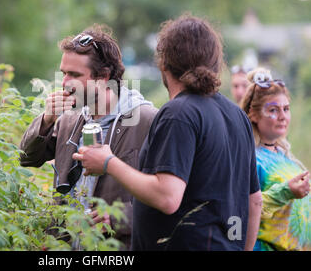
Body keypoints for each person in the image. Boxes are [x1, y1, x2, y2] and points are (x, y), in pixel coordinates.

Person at [73, 14, 263, 251]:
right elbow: (254, 202)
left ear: (164, 62)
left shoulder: (178, 113)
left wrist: (108, 162)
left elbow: (167, 196)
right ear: (215, 62)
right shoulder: (237, 116)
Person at [19, 24, 158, 249]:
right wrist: (46, 119)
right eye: (63, 73)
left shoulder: (148, 120)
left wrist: (116, 219)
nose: (64, 83)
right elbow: (26, 158)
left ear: (103, 77)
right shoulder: (68, 119)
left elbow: (167, 199)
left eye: (74, 75)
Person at [240, 68, 310, 251]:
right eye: (273, 110)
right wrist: (285, 191)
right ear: (253, 115)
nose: (282, 117)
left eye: (286, 109)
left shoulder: (287, 157)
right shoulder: (250, 158)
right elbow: (242, 208)